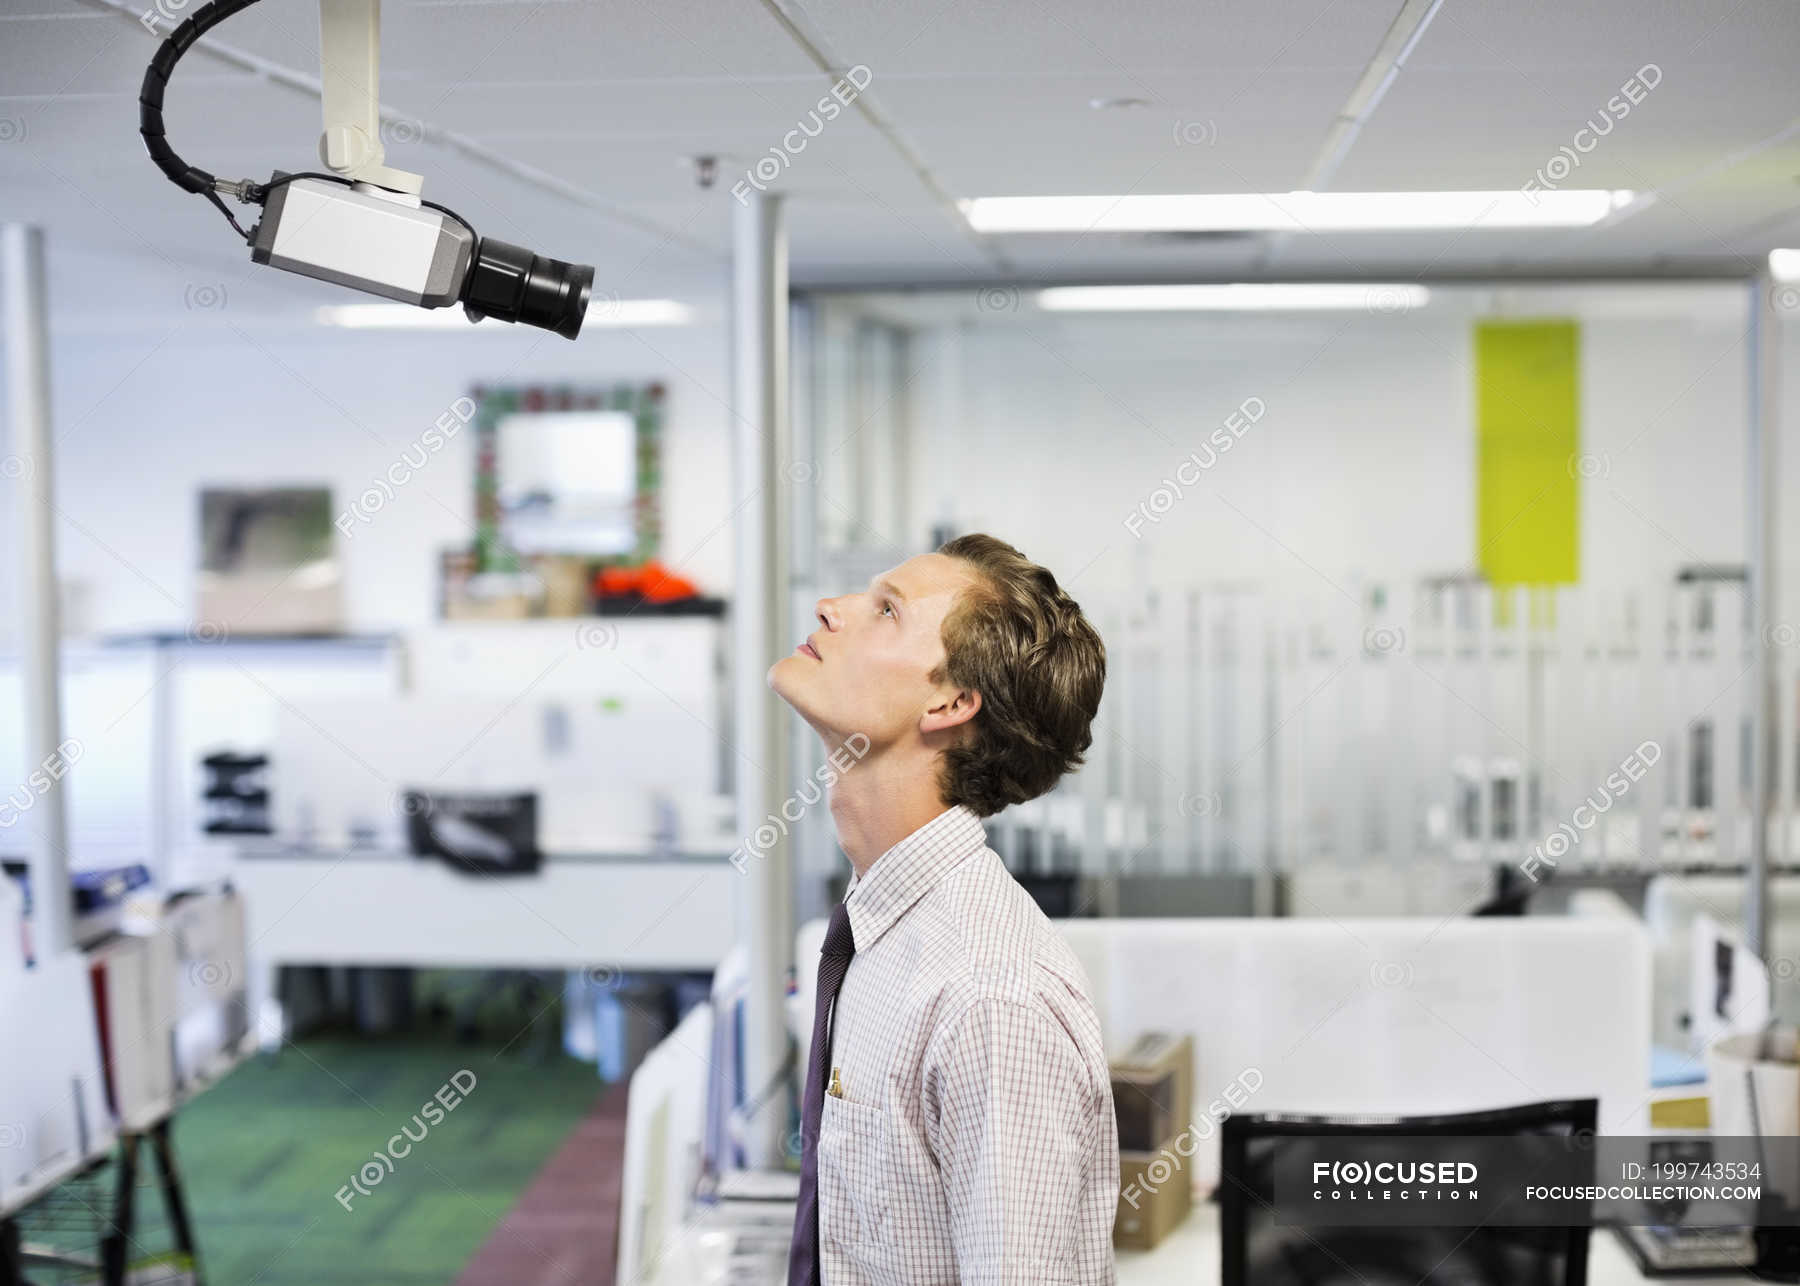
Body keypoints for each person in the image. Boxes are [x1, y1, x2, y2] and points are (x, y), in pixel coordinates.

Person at [768, 532, 1118, 1286]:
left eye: (886, 611)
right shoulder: (887, 935)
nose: (832, 609)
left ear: (952, 702)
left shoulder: (990, 998)